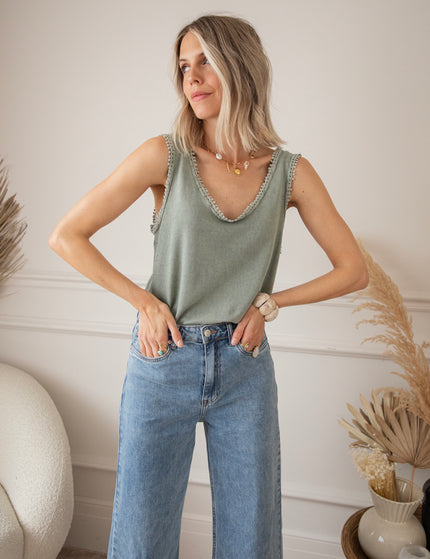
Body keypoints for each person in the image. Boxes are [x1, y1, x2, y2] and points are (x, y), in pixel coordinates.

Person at [49, 14, 368, 559]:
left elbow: (353, 270)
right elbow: (66, 236)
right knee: (142, 541)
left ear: (239, 67)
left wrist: (271, 303)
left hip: (245, 368)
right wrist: (144, 302)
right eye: (183, 66)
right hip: (163, 361)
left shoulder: (289, 172)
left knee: (251, 542)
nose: (190, 78)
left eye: (204, 62)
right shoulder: (164, 156)